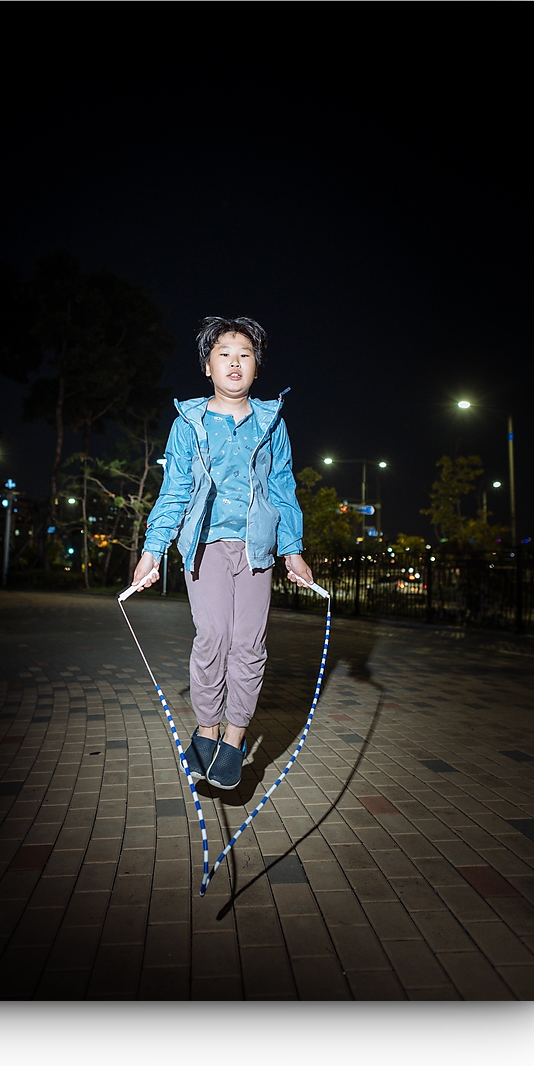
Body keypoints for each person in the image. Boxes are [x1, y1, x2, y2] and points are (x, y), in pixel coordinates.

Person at [130, 316, 315, 790]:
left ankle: (234, 738)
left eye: (245, 354)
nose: (235, 362)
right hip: (205, 547)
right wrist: (153, 550)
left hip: (256, 548)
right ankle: (208, 729)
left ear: (256, 367)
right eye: (224, 354)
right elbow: (175, 490)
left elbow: (282, 488)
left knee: (249, 645)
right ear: (207, 367)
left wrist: (292, 550)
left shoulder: (271, 423)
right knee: (213, 637)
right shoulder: (187, 424)